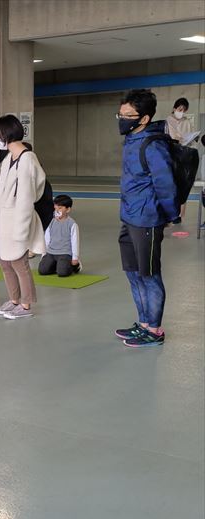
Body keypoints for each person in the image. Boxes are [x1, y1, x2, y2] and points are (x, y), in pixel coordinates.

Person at [114, 89, 177, 348]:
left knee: (149, 275)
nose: (122, 119)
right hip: (129, 217)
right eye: (120, 114)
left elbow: (166, 184)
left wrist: (170, 214)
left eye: (128, 115)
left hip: (147, 219)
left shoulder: (153, 145)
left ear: (144, 118)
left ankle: (154, 329)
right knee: (133, 273)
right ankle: (142, 323)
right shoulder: (131, 139)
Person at [0, 114, 46, 320]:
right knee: (5, 263)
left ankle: (25, 304)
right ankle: (14, 300)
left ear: (6, 134)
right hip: (3, 220)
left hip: (17, 220)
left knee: (19, 264)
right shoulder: (8, 159)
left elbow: (26, 198)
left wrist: (21, 229)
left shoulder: (27, 159)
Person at [38, 195, 81, 277]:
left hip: (65, 253)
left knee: (62, 272)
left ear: (68, 209)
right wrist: (44, 254)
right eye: (55, 208)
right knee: (42, 270)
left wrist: (75, 258)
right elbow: (46, 239)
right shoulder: (51, 222)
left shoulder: (72, 224)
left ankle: (74, 266)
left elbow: (75, 242)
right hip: (51, 252)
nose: (57, 210)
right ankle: (57, 265)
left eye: (60, 208)